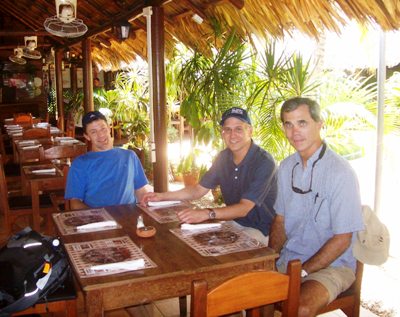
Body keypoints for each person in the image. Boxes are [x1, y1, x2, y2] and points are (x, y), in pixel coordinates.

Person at [268, 97, 364, 317]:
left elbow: (342, 239)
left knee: (299, 307)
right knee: (254, 294)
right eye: (288, 124)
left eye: (302, 123)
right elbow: (280, 220)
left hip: (333, 266)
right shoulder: (286, 167)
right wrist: (270, 260)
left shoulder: (340, 173)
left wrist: (301, 272)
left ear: (319, 124)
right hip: (290, 259)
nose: (295, 132)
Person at [142, 107, 277, 243]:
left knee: (223, 255)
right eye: (227, 129)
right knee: (184, 239)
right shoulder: (224, 157)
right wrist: (161, 196)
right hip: (232, 222)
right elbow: (197, 190)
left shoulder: (264, 162)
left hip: (260, 229)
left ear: (250, 131)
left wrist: (207, 213)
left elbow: (244, 208)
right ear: (222, 133)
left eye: (238, 129)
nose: (232, 135)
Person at [65, 111, 152, 210]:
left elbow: (140, 191)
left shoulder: (129, 156)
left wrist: (150, 204)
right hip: (98, 221)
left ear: (109, 128)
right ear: (87, 136)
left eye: (103, 129)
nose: (101, 135)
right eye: (93, 132)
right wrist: (98, 217)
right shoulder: (80, 164)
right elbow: (75, 203)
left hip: (129, 219)